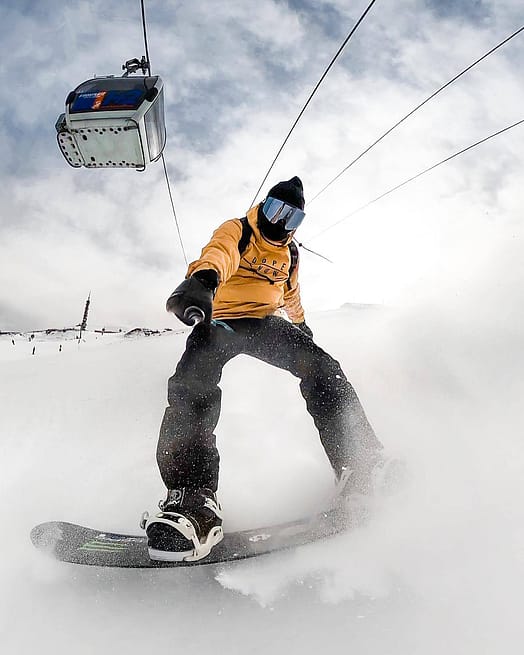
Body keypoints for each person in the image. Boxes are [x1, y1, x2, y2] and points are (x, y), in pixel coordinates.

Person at [145, 176, 383, 562]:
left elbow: (291, 293)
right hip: (220, 322)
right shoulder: (239, 230)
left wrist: (301, 326)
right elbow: (219, 253)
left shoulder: (290, 255)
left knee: (324, 370)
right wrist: (202, 281)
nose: (280, 223)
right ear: (263, 207)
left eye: (292, 219)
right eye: (275, 211)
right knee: (191, 387)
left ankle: (361, 464)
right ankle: (192, 505)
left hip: (264, 323)